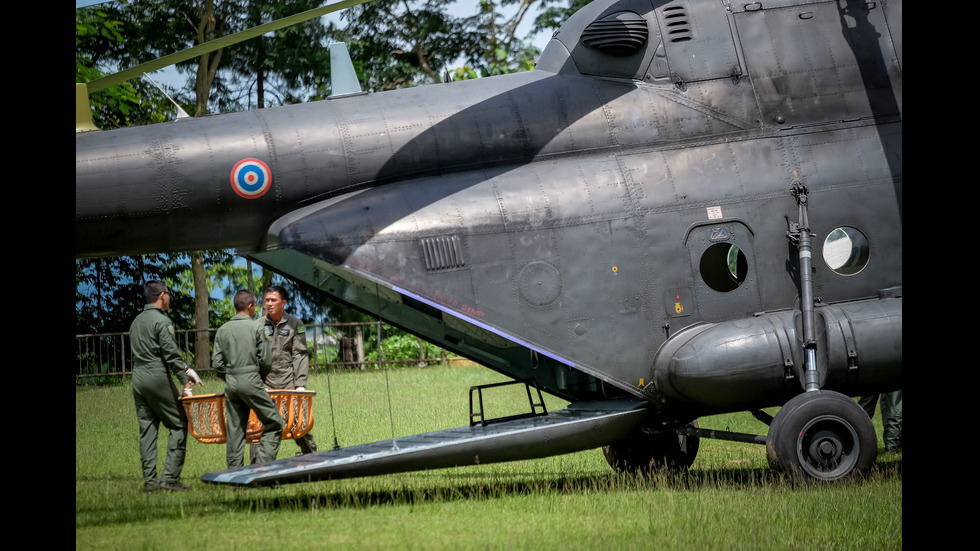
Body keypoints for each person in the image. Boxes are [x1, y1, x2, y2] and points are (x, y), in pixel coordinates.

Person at [130, 280, 201, 493]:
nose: (169, 297)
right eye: (168, 293)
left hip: (138, 377)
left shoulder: (136, 321)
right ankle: (169, 479)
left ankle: (150, 484)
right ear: (162, 295)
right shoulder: (162, 322)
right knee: (179, 424)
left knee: (147, 429)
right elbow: (170, 354)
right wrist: (185, 381)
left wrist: (185, 369)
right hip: (156, 375)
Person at [212, 290, 284, 468]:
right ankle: (261, 468)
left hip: (231, 383)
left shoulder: (223, 329)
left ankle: (235, 475)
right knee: (274, 422)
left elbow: (217, 363)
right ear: (250, 306)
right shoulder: (257, 327)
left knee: (235, 430)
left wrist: (229, 376)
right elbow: (266, 360)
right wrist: (258, 378)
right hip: (251, 380)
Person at [253, 285, 317, 458]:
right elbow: (253, 356)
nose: (269, 304)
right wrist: (258, 384)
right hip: (265, 384)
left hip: (288, 382)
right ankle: (256, 467)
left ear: (283, 303)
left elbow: (300, 354)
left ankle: (312, 458)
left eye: (273, 300)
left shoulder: (297, 325)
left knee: (298, 423)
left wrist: (300, 384)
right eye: (267, 300)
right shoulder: (257, 325)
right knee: (258, 426)